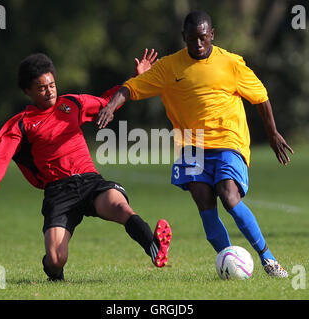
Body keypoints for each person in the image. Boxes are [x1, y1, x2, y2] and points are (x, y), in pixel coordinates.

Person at [97, 11, 293, 277]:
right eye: (192, 39)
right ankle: (229, 261)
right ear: (184, 37)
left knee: (228, 195)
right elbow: (130, 88)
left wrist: (272, 133)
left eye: (203, 37)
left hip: (228, 140)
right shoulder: (168, 68)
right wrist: (111, 106)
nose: (198, 44)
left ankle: (268, 259)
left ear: (212, 34)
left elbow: (260, 97)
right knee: (204, 201)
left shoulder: (231, 63)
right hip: (191, 146)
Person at [0, 50, 172, 281]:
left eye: (52, 84)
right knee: (56, 258)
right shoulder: (23, 123)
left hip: (90, 181)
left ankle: (154, 247)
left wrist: (134, 78)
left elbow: (106, 103)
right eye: (41, 88)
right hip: (59, 193)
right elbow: (2, 149)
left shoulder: (70, 104)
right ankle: (54, 274)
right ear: (28, 91)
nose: (49, 91)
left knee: (121, 208)